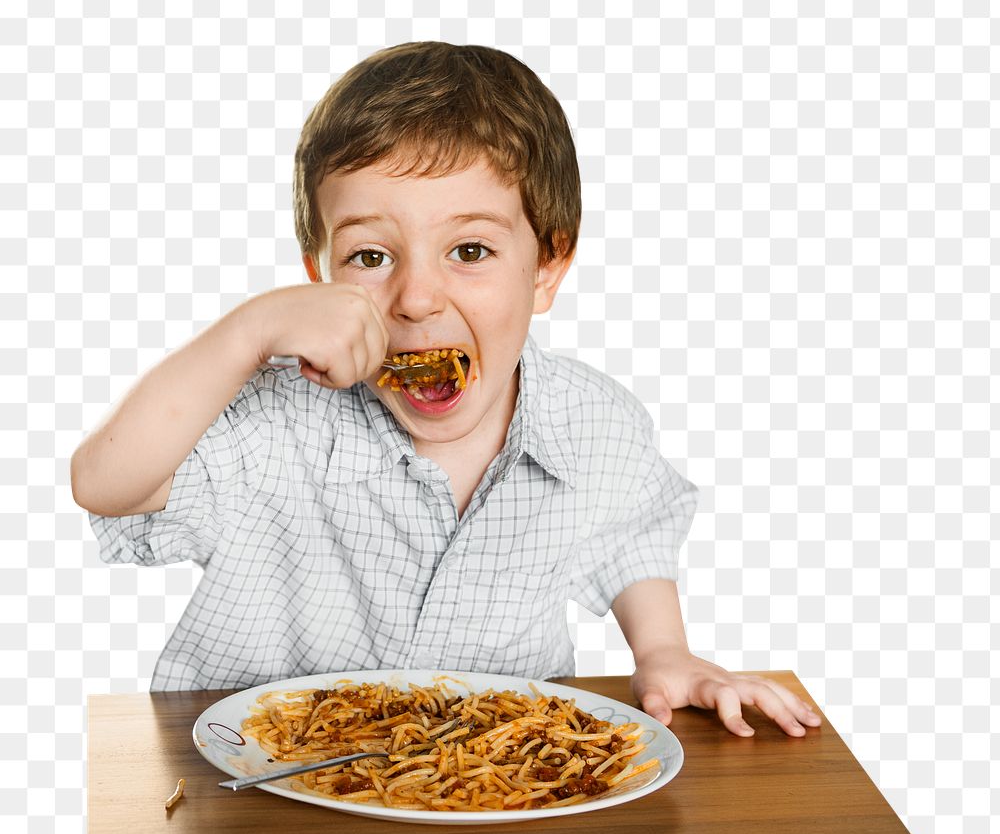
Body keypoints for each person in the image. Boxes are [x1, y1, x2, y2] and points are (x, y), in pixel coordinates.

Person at [71, 42, 820, 737]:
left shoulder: (593, 421)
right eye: (369, 255)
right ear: (319, 275)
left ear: (549, 265)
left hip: (489, 788)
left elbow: (634, 528)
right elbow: (105, 483)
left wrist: (663, 651)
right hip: (254, 785)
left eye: (470, 250)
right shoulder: (277, 416)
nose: (417, 297)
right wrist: (246, 334)